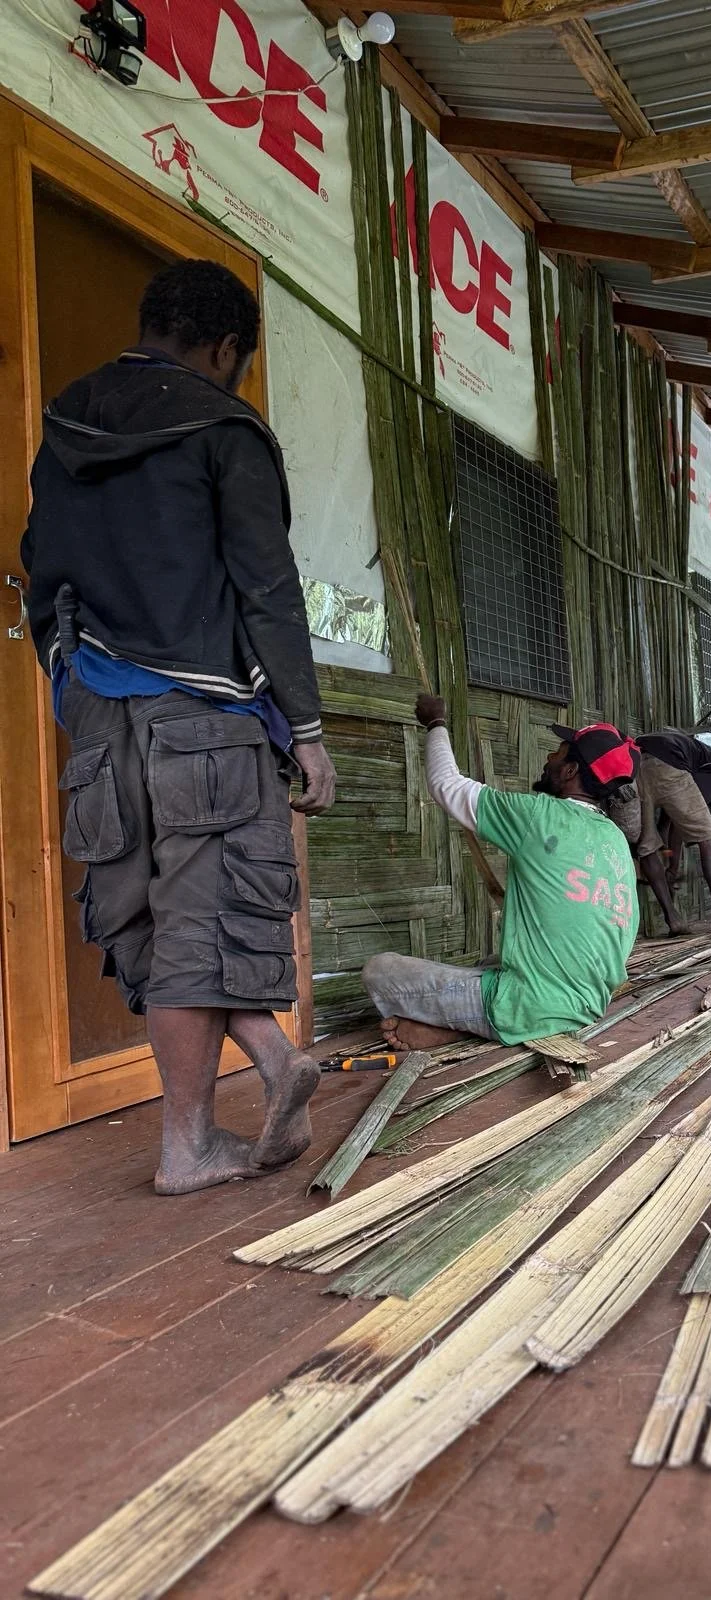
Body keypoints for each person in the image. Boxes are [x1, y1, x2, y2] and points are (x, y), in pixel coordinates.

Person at [21, 259, 336, 1194]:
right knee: (211, 917)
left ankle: (263, 1078)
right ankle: (191, 1143)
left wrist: (68, 674)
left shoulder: (65, 426)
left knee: (149, 919)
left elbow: (39, 574)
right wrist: (307, 728)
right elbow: (267, 591)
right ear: (224, 347)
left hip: (99, 719)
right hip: (204, 716)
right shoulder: (225, 431)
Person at [363, 705, 640, 1050]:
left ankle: (474, 1025)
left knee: (380, 971)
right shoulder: (614, 839)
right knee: (490, 963)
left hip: (529, 1006)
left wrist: (435, 723)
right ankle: (473, 1021)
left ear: (569, 771)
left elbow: (445, 785)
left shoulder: (538, 815)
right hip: (588, 1003)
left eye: (558, 753)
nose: (549, 758)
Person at [611, 728, 711, 940]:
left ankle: (673, 919)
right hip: (666, 764)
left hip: (635, 763)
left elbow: (670, 818)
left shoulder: (701, 757)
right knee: (709, 838)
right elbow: (680, 821)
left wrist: (670, 856)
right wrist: (674, 865)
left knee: (647, 845)